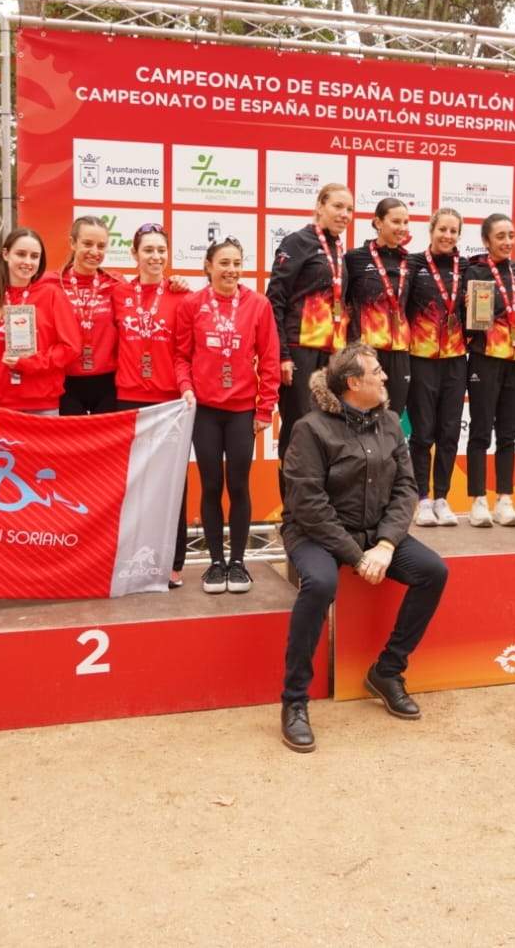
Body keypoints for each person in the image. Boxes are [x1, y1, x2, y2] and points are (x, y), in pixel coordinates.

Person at [278, 344, 449, 753]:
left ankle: (387, 672)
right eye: (377, 372)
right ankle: (294, 701)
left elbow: (407, 488)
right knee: (319, 584)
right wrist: (357, 557)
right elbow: (308, 506)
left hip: (375, 533)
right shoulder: (310, 428)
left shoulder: (390, 421)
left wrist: (387, 543)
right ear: (354, 383)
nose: (386, 377)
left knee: (433, 571)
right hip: (315, 533)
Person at [174, 238, 279, 595]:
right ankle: (214, 564)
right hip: (204, 410)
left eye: (237, 262)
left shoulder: (258, 304)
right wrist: (186, 387)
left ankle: (238, 562)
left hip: (241, 410)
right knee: (210, 486)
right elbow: (180, 356)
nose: (231, 269)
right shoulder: (192, 304)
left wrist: (264, 407)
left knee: (238, 485)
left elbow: (269, 358)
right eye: (224, 263)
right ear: (208, 266)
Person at [114, 223, 192, 589]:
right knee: (132, 484)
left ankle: (173, 562)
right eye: (148, 250)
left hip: (169, 402)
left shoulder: (182, 297)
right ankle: (128, 558)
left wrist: (184, 390)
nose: (156, 257)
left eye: (161, 250)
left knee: (172, 484)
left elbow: (184, 352)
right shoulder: (117, 292)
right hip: (127, 400)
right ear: (134, 254)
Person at [268, 183, 351, 484]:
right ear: (319, 206)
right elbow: (274, 300)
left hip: (331, 355)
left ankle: (316, 513)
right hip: (299, 349)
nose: (345, 214)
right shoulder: (297, 242)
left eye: (349, 209)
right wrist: (282, 355)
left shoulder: (339, 248)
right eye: (338, 206)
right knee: (297, 432)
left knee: (327, 432)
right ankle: (291, 517)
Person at [0, 227, 79, 415]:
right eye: (21, 254)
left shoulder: (52, 295)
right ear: (5, 254)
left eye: (34, 256)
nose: (28, 262)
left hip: (41, 402)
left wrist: (31, 363)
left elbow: (70, 348)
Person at [405, 208, 468, 526]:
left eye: (453, 231)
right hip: (421, 359)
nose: (447, 235)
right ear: (431, 230)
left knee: (449, 432)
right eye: (442, 229)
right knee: (422, 432)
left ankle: (442, 497)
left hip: (456, 360)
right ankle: (422, 498)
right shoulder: (414, 264)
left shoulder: (467, 267)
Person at [462, 213, 515, 529]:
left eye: (511, 235)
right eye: (500, 236)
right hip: (484, 357)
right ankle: (477, 500)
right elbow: (467, 317)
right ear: (487, 240)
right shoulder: (474, 270)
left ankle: (505, 499)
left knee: (509, 433)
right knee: (481, 430)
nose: (507, 242)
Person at [344, 198, 413, 414]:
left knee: (393, 416)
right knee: (362, 414)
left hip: (399, 353)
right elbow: (342, 301)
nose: (402, 228)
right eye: (395, 221)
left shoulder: (410, 262)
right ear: (378, 222)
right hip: (365, 352)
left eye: (405, 222)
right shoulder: (354, 258)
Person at [55, 215, 123, 415]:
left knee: (105, 446)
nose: (94, 252)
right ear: (72, 243)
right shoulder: (51, 283)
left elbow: (146, 293)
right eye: (87, 243)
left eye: (101, 246)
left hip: (107, 383)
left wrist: (175, 284)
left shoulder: (116, 283)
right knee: (69, 446)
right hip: (66, 382)